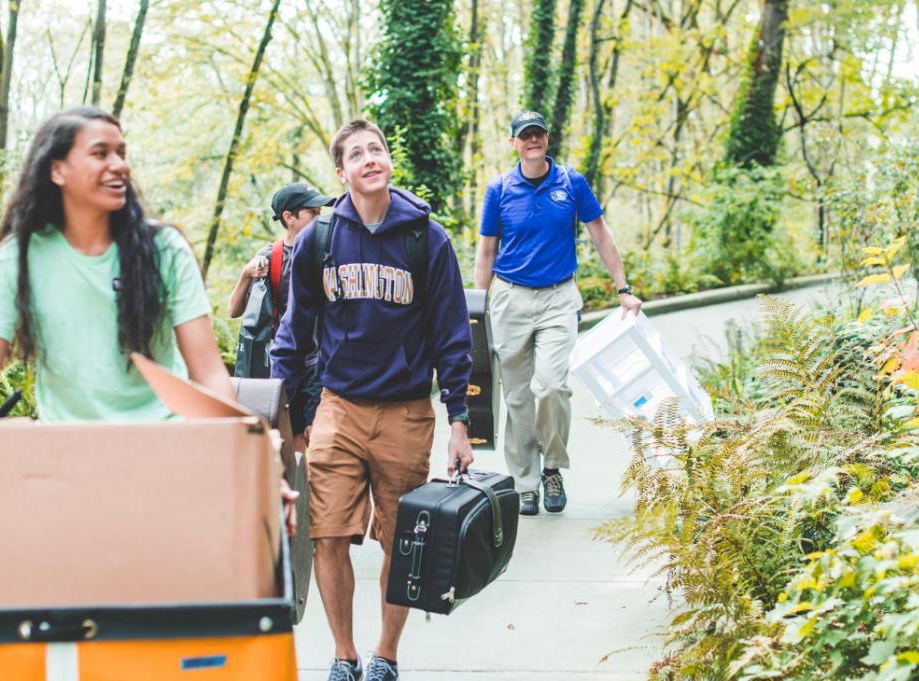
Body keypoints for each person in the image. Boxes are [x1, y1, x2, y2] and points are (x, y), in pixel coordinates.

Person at [0, 107, 297, 529]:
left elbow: (209, 373)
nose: (119, 165)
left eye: (122, 152)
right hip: (64, 467)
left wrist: (253, 462)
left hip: (166, 461)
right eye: (101, 153)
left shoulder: (163, 250)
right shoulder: (17, 258)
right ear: (58, 170)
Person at [271, 119, 473, 681]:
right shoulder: (320, 239)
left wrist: (460, 421)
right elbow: (293, 332)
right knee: (328, 533)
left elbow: (454, 335)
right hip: (338, 405)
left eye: (376, 149)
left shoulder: (426, 239)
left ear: (388, 161)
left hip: (407, 410)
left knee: (401, 542)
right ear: (341, 173)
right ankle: (344, 654)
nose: (369, 158)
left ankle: (385, 654)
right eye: (355, 153)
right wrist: (280, 420)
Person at [474, 110, 642, 517]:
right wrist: (476, 308)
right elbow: (486, 250)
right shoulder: (499, 189)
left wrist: (624, 288)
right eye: (524, 135)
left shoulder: (571, 183)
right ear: (513, 143)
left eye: (539, 134)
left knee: (549, 386)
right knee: (516, 396)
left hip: (558, 297)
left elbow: (600, 233)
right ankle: (525, 482)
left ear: (547, 140)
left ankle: (552, 466)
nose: (532, 140)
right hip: (510, 298)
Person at [228, 183, 334, 453]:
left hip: (321, 363)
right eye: (312, 212)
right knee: (286, 443)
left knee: (313, 442)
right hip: (284, 364)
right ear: (289, 217)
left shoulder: (327, 252)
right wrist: (246, 274)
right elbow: (234, 310)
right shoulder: (269, 258)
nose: (319, 219)